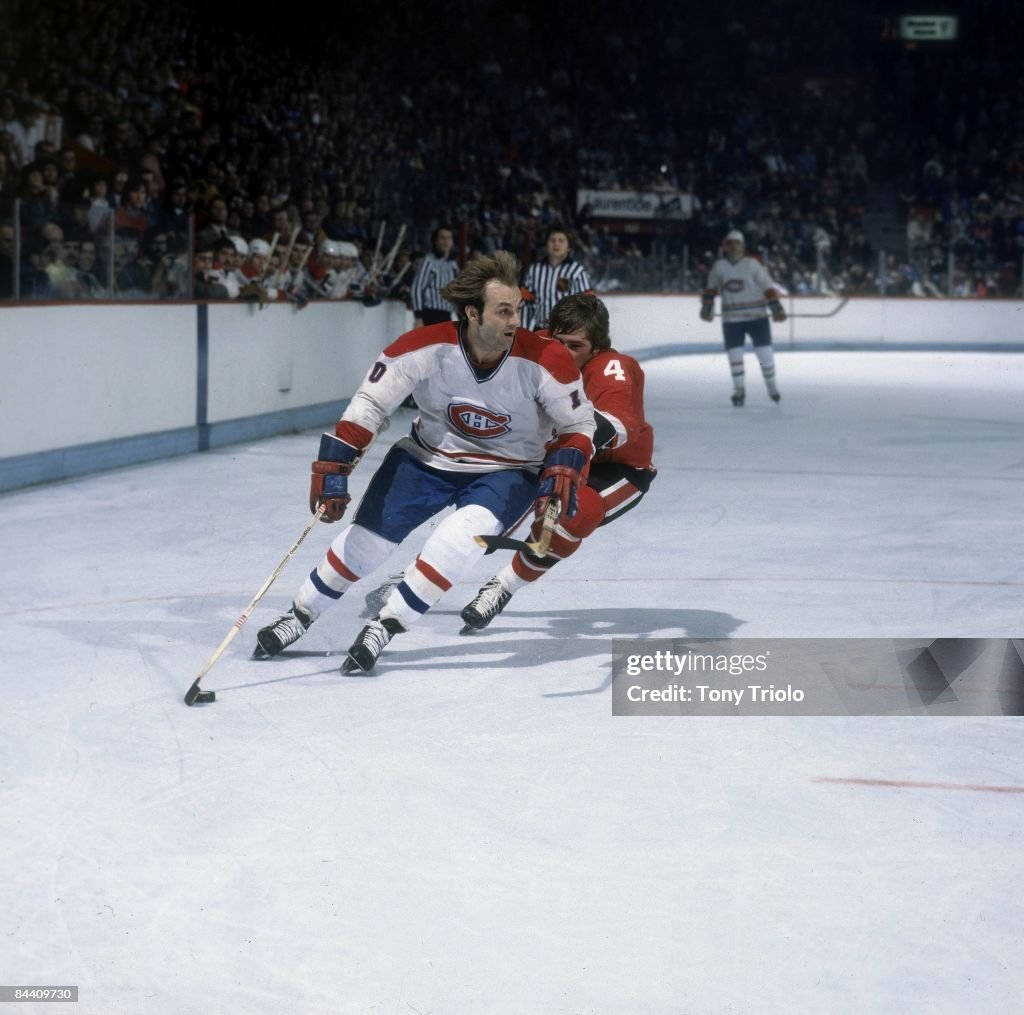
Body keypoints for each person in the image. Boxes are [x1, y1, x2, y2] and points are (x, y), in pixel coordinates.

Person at [254, 250, 596, 674]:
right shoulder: (423, 347)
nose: (515, 322)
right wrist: (337, 460)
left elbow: (579, 423)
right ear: (472, 312)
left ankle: (385, 625)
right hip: (426, 457)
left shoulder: (547, 358)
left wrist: (566, 461)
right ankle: (301, 613)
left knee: (456, 540)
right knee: (366, 545)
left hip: (509, 469)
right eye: (504, 311)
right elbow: (371, 401)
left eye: (518, 310)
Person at [460, 293, 656, 630]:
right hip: (559, 453)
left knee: (568, 520)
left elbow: (617, 420)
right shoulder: (540, 346)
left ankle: (504, 585)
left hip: (617, 467)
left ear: (597, 347)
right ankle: (421, 575)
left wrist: (568, 456)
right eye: (559, 342)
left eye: (576, 346)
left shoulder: (614, 366)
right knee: (487, 505)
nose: (564, 353)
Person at [700, 229, 786, 406]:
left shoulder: (752, 264)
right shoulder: (719, 267)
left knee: (765, 355)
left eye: (737, 242)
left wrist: (776, 306)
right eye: (730, 242)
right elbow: (711, 289)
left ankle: (772, 386)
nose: (734, 246)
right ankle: (739, 390)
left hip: (758, 317)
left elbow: (767, 286)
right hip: (732, 319)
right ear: (726, 246)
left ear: (743, 245)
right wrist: (707, 306)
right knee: (735, 356)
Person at [520, 224, 593, 330]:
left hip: (566, 333)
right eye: (552, 240)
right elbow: (526, 303)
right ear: (546, 244)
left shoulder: (577, 271)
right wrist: (525, 331)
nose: (556, 243)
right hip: (540, 330)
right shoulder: (535, 270)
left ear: (569, 247)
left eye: (561, 240)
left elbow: (588, 306)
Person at [410, 225, 457, 327]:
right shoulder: (428, 261)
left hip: (447, 316)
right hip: (429, 315)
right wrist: (418, 317)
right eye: (442, 237)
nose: (446, 241)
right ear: (435, 241)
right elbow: (417, 288)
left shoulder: (452, 265)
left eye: (449, 238)